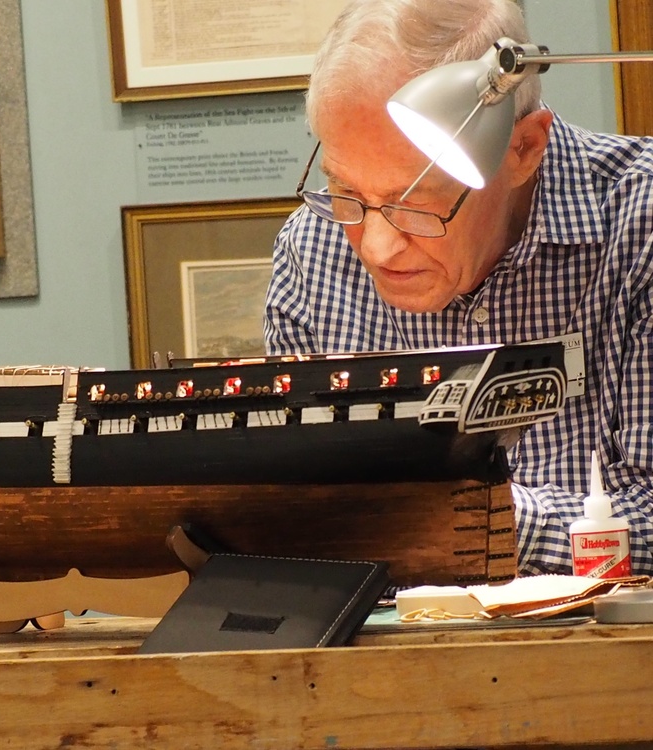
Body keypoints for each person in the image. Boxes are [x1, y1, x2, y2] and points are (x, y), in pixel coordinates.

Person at [264, 0, 653, 576]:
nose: (375, 246)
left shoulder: (640, 223)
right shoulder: (313, 248)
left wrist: (460, 515)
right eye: (346, 193)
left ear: (524, 148)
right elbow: (305, 517)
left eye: (414, 205)